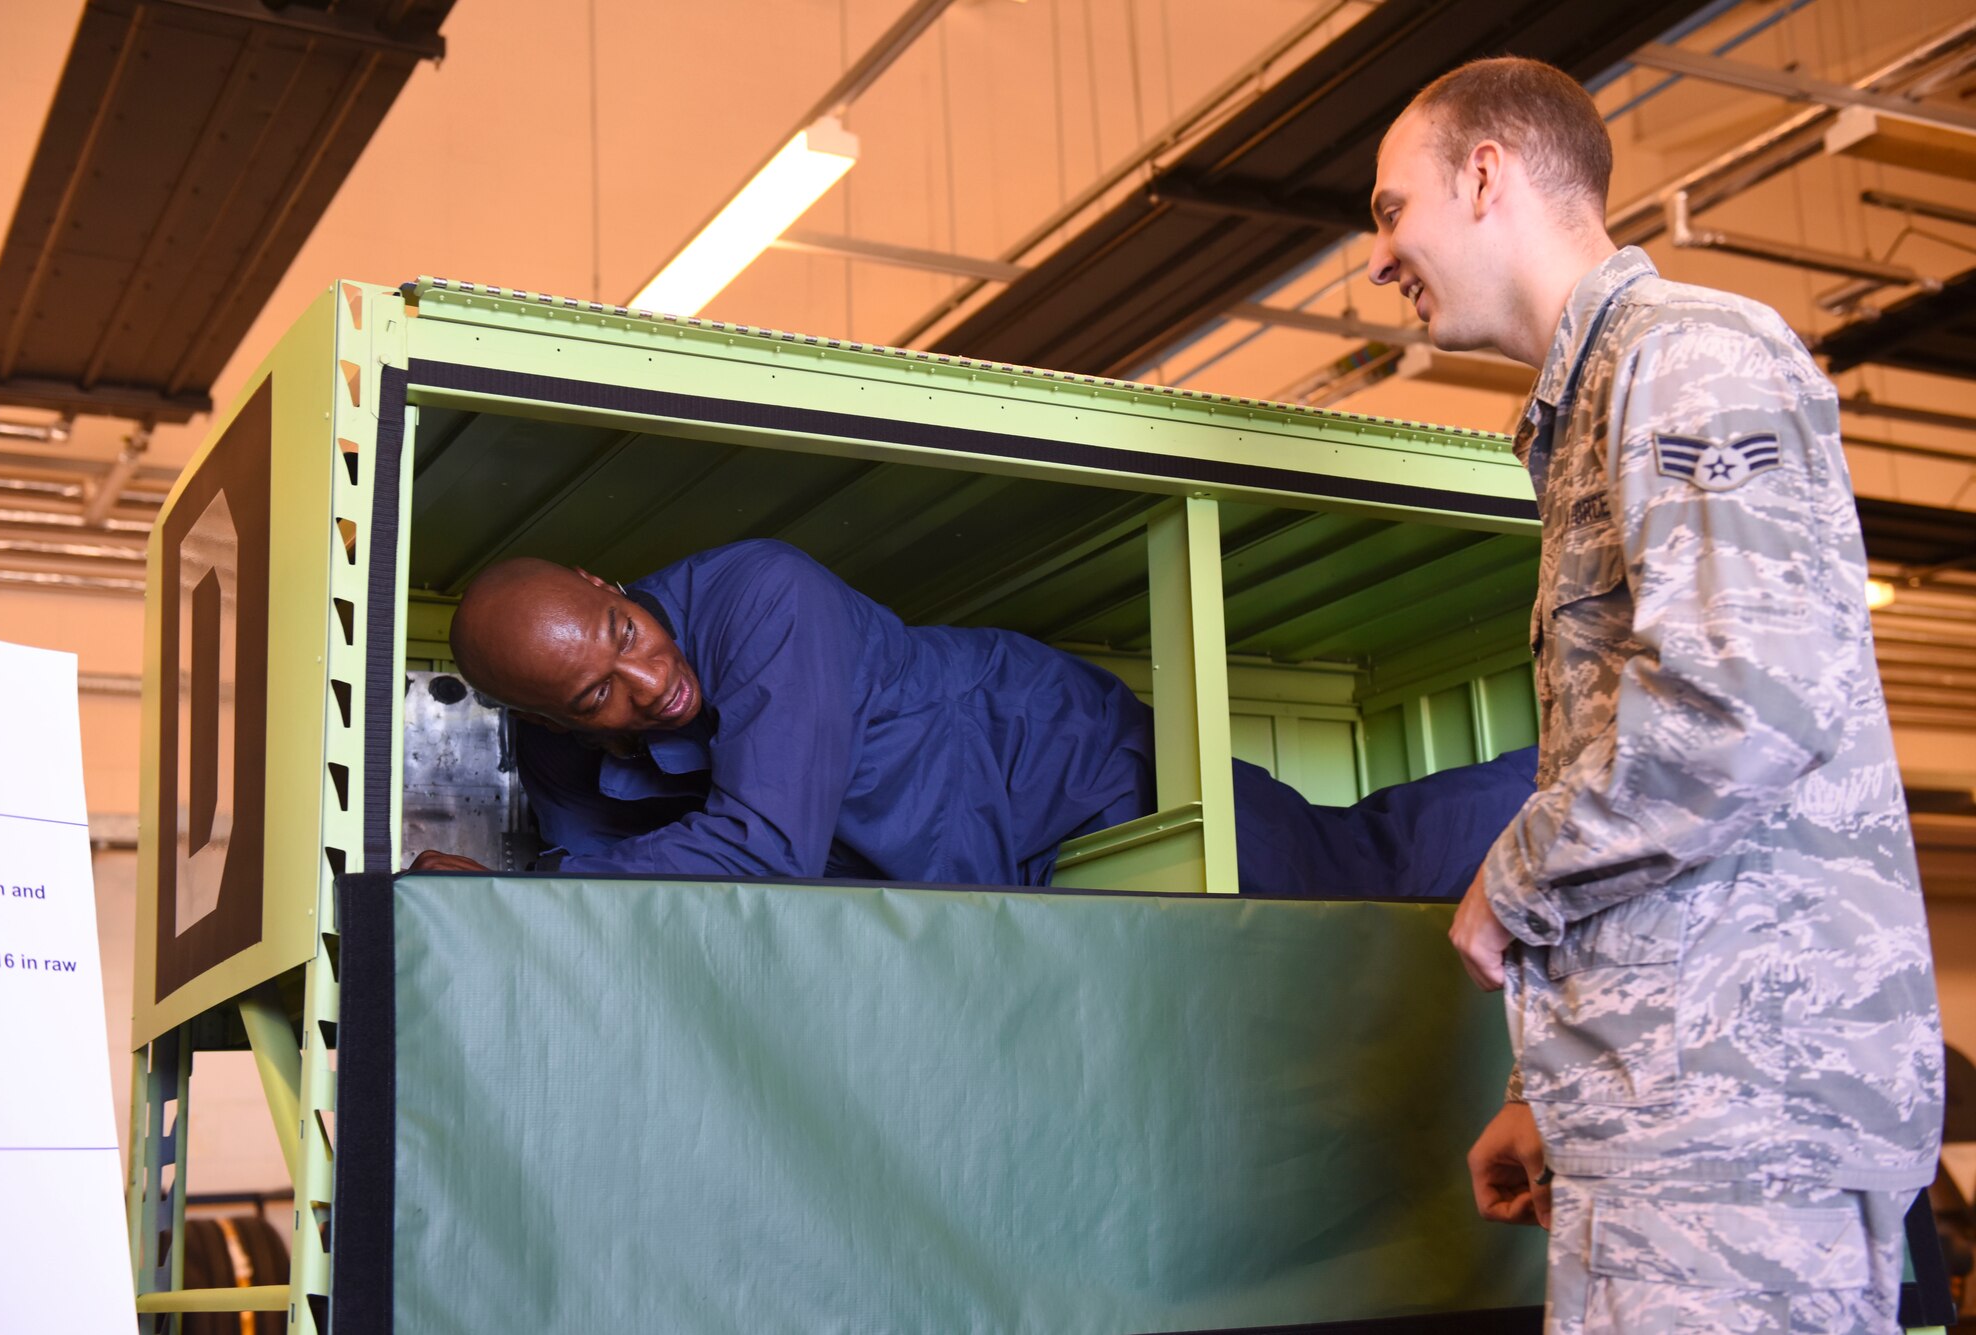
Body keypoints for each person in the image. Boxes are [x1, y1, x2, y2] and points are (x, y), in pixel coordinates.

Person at [1366, 56, 1943, 1331]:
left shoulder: (1687, 357)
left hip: (1745, 1130)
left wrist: (1505, 884)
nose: (1377, 258)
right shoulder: (1581, 411)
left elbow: (1737, 708)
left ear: (1482, 174)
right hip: (1662, 1125)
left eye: (1388, 209)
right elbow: (1628, 773)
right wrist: (1543, 1089)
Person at [410, 538, 1536, 897]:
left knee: (1346, 867)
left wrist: (520, 893)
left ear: (609, 585)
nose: (647, 683)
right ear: (538, 717)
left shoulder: (762, 595)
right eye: (596, 695)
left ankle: (1587, 773)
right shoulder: (560, 752)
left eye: (624, 635)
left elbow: (759, 849)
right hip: (985, 862)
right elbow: (616, 889)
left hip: (1065, 763)